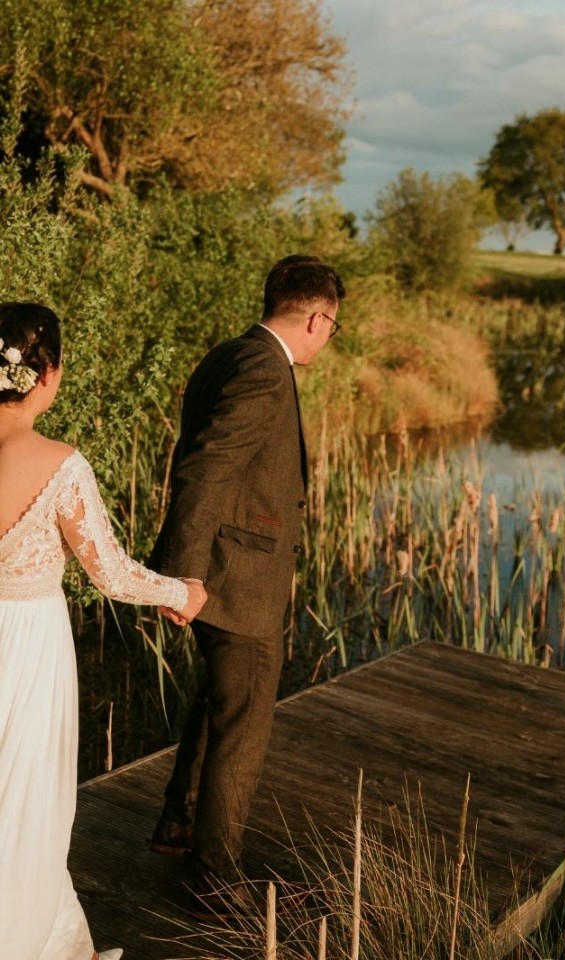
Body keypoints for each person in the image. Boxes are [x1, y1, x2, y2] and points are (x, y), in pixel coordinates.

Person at [0, 302, 207, 960]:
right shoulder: (60, 464)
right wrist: (183, 592)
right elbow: (111, 573)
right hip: (28, 648)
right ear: (47, 374)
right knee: (26, 800)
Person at [148, 254, 345, 915]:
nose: (328, 337)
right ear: (316, 319)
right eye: (333, 327)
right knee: (244, 722)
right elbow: (207, 468)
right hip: (235, 577)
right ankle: (217, 879)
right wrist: (184, 573)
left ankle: (178, 823)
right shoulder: (264, 369)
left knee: (219, 700)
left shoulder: (230, 354)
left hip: (223, 567)